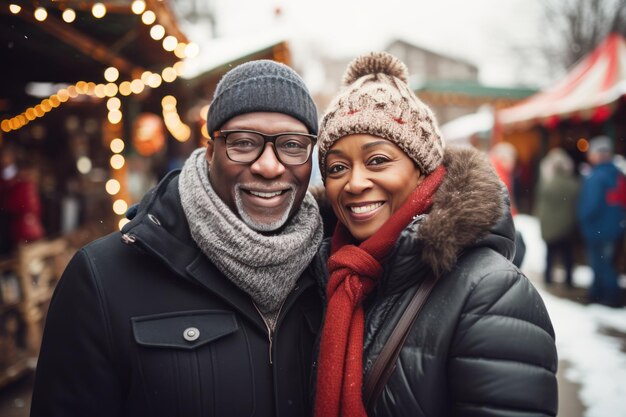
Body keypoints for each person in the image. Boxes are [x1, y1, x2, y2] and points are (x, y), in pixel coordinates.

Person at [30, 60, 324, 417]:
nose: (269, 165)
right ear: (212, 149)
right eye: (244, 143)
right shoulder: (103, 278)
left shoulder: (333, 269)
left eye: (292, 145)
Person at [312, 52, 558, 417]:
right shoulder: (323, 275)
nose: (355, 182)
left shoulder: (491, 293)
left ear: (422, 169)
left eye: (377, 160)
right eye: (337, 167)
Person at [577, 135, 626, 307]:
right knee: (608, 262)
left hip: (597, 228)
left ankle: (609, 297)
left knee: (600, 264)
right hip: (615, 227)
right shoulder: (618, 174)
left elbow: (590, 205)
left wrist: (582, 220)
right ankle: (600, 295)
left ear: (598, 154)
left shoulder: (596, 177)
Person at [534, 147, 580, 287]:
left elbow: (540, 204)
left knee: (550, 254)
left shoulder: (547, 185)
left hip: (550, 225)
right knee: (567, 254)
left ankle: (548, 279)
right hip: (567, 225)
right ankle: (569, 281)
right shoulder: (574, 184)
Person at [0, 144, 45, 255]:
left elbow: (16, 205)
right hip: (23, 229)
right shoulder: (19, 182)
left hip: (23, 229)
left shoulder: (23, 183)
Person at [489, 141, 526, 267]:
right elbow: (502, 200)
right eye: (512, 159)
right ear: (504, 158)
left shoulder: (496, 169)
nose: (513, 164)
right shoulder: (499, 173)